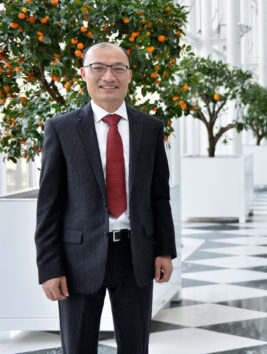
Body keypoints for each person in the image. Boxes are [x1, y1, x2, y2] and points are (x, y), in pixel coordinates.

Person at [35, 42, 177, 354]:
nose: (108, 76)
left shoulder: (150, 128)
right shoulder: (61, 129)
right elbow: (49, 206)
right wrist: (49, 267)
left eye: (117, 68)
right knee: (78, 346)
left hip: (135, 255)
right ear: (84, 74)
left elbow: (159, 196)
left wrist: (165, 250)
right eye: (98, 67)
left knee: (135, 345)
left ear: (129, 75)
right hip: (77, 260)